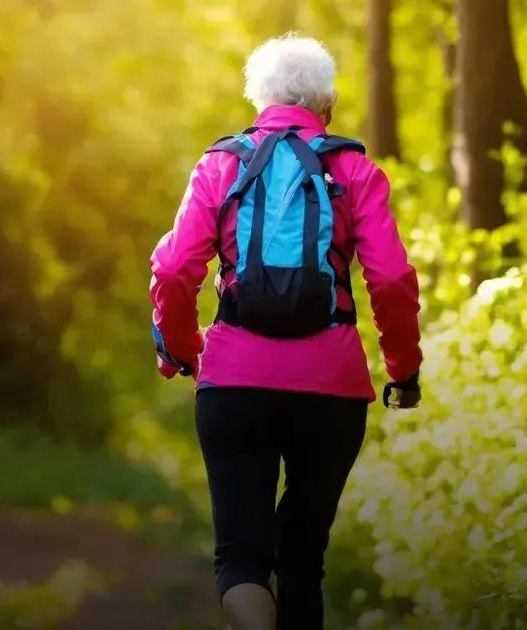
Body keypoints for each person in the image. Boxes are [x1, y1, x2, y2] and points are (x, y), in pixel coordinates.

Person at [149, 34, 422, 630]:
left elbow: (174, 269)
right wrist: (403, 370)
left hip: (234, 384)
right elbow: (393, 279)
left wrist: (183, 350)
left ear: (259, 101)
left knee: (242, 560)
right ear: (327, 107)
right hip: (332, 388)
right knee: (303, 560)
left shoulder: (222, 164)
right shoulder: (354, 169)